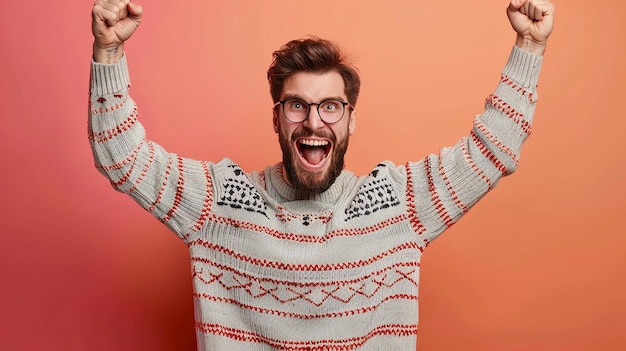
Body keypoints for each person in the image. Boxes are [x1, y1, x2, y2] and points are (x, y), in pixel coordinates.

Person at [89, 0, 555, 350]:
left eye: (331, 106)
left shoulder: (396, 204)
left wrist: (530, 45)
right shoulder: (218, 202)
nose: (314, 122)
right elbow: (121, 157)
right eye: (298, 105)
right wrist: (109, 51)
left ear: (352, 119)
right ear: (277, 119)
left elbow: (493, 148)